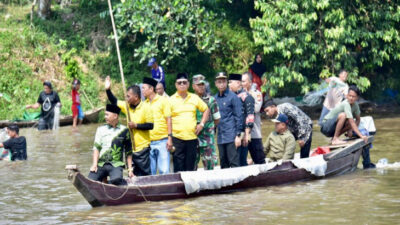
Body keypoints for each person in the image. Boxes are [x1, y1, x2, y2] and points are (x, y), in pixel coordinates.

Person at [105, 76, 153, 176]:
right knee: (132, 174)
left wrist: (136, 125)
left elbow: (150, 125)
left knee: (145, 174)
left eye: (128, 96)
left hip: (143, 148)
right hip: (131, 149)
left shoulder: (146, 107)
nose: (126, 98)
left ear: (136, 97)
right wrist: (108, 89)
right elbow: (114, 101)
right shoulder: (127, 107)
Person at [169, 73, 210, 172]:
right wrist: (169, 137)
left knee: (190, 167)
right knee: (178, 168)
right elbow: (168, 119)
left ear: (188, 84)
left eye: (184, 82)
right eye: (179, 83)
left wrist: (201, 124)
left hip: (192, 138)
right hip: (177, 139)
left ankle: (191, 187)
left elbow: (206, 109)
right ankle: (179, 187)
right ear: (176, 85)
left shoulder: (194, 98)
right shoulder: (170, 100)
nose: (182, 84)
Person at [88, 104, 133, 185]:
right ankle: (104, 182)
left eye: (107, 114)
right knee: (91, 180)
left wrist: (130, 170)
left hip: (116, 164)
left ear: (115, 116)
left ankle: (118, 187)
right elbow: (96, 148)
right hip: (101, 163)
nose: (105, 117)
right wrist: (94, 164)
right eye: (105, 114)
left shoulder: (124, 130)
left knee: (117, 179)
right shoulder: (100, 130)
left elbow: (128, 152)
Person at [141, 77, 173, 175]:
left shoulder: (163, 101)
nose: (142, 90)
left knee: (164, 171)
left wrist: (170, 138)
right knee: (150, 172)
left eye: (143, 88)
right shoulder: (143, 104)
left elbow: (169, 120)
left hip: (162, 141)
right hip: (148, 142)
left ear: (151, 89)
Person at [214, 72, 243, 168]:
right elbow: (213, 118)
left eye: (223, 81)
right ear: (216, 84)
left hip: (231, 135)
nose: (221, 84)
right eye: (219, 82)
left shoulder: (233, 97)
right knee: (223, 163)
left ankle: (238, 183)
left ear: (226, 82)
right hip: (220, 136)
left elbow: (239, 117)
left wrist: (238, 136)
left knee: (234, 162)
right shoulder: (214, 99)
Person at [192, 74, 220, 170]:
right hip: (193, 138)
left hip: (207, 139)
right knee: (191, 166)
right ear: (193, 86)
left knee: (210, 166)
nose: (201, 87)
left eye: (202, 84)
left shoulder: (211, 100)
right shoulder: (190, 100)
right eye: (198, 85)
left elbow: (217, 119)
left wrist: (209, 128)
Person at [229, 73, 255, 166]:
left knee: (241, 159)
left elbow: (250, 117)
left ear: (238, 83)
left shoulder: (247, 97)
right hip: (232, 132)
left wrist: (246, 135)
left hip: (243, 133)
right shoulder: (231, 96)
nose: (229, 85)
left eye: (230, 83)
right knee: (233, 159)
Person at [242, 72, 265, 164]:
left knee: (259, 159)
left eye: (243, 81)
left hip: (254, 132)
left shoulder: (257, 94)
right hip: (242, 133)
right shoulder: (238, 95)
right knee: (241, 160)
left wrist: (247, 99)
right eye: (241, 81)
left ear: (250, 82)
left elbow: (256, 109)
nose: (242, 83)